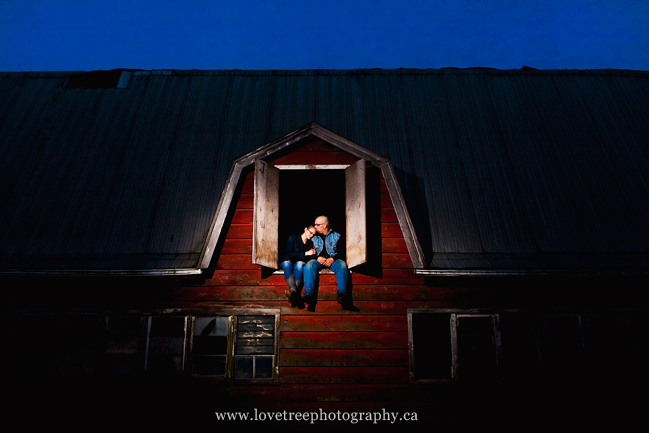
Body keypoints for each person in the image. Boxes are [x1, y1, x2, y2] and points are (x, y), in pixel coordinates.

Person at [302, 215, 350, 308]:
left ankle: (342, 294)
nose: (314, 227)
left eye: (317, 225)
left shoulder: (337, 236)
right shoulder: (312, 237)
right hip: (318, 261)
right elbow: (307, 251)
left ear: (325, 225)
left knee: (342, 265)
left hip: (332, 261)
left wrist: (333, 259)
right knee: (309, 265)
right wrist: (316, 258)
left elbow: (342, 251)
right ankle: (308, 295)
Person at [281, 225, 317, 302]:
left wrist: (313, 254)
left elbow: (308, 259)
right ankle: (295, 292)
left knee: (300, 264)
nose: (311, 235)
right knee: (286, 264)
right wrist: (306, 253)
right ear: (305, 229)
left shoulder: (310, 243)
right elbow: (289, 254)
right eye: (310, 232)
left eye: (313, 235)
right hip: (288, 261)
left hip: (299, 264)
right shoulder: (293, 238)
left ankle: (293, 293)